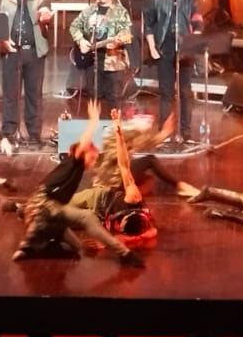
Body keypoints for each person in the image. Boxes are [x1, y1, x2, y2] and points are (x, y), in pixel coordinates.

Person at [8, 115, 145, 268]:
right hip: (43, 204)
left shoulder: (77, 167)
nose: (94, 163)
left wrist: (110, 242)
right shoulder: (73, 161)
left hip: (51, 208)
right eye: (92, 158)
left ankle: (33, 246)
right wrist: (93, 123)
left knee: (76, 247)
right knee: (86, 217)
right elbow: (90, 149)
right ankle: (125, 254)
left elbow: (150, 232)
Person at [0, 0, 53, 147]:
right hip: (12, 52)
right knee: (10, 94)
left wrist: (45, 17)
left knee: (33, 94)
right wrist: (3, 40)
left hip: (34, 52)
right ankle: (10, 132)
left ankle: (34, 134)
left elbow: (46, 14)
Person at [144, 0, 203, 141]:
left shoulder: (192, 0)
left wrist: (194, 41)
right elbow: (149, 24)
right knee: (166, 92)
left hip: (185, 51)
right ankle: (164, 131)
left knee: (185, 92)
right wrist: (152, 47)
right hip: (164, 48)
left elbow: (198, 24)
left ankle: (185, 132)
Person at [69, 0, 133, 110]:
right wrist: (81, 40)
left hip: (114, 61)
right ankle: (94, 128)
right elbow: (74, 26)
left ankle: (114, 129)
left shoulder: (120, 11)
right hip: (93, 60)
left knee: (114, 98)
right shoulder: (90, 10)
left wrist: (117, 42)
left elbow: (127, 35)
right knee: (93, 97)